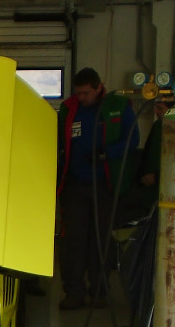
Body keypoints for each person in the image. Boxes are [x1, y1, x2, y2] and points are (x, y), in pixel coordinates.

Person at [57, 67, 139, 310]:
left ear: (98, 87)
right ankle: (74, 292)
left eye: (86, 93)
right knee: (73, 242)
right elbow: (58, 140)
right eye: (78, 93)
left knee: (102, 240)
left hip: (105, 185)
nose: (81, 97)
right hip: (74, 186)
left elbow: (132, 139)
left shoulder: (118, 107)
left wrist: (106, 153)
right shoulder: (69, 109)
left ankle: (100, 292)